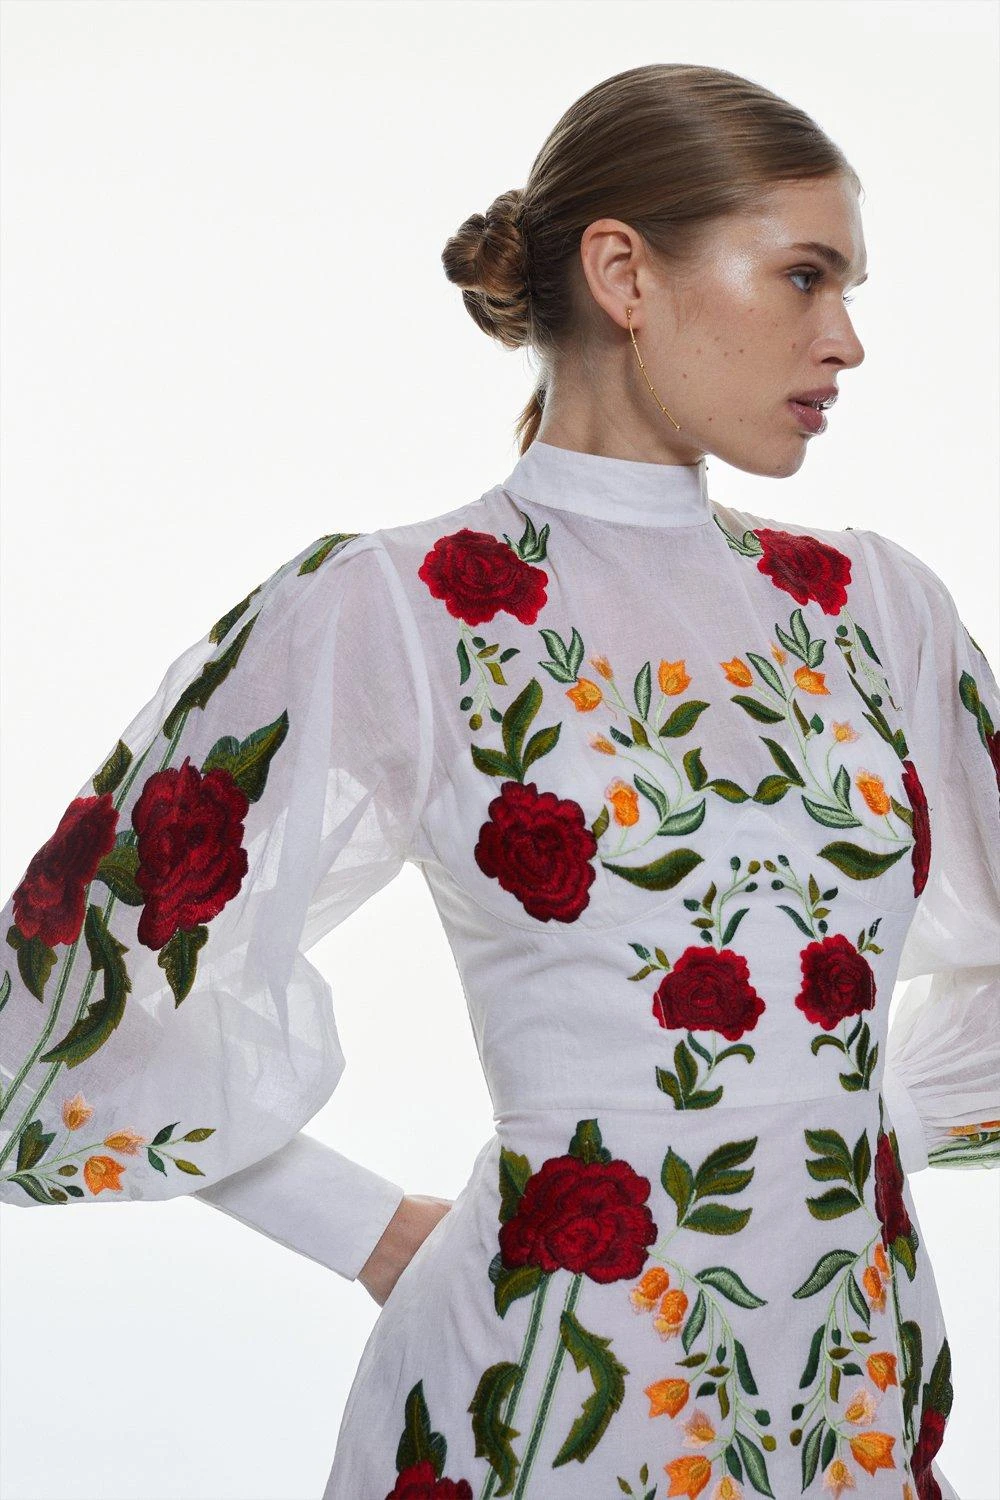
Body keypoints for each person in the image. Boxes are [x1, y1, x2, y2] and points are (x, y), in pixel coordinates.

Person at [1, 61, 996, 1500]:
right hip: (542, 1395)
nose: (845, 338)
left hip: (855, 1391)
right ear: (624, 272)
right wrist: (356, 1225)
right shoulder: (398, 608)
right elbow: (67, 995)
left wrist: (818, 1135)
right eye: (803, 275)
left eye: (848, 286)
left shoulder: (877, 609)